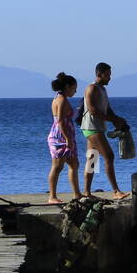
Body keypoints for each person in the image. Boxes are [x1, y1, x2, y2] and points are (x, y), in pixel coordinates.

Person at [81, 62, 130, 199]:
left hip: (97, 128)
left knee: (92, 159)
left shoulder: (102, 90)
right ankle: (116, 191)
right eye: (107, 75)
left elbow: (106, 108)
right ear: (99, 75)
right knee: (109, 156)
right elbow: (93, 110)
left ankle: (86, 192)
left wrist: (117, 119)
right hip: (91, 127)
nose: (110, 78)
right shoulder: (91, 88)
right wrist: (111, 119)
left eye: (110, 75)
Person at [46, 73, 82, 204]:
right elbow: (60, 121)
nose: (75, 91)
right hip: (60, 137)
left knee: (74, 163)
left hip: (66, 135)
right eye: (74, 88)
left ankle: (77, 194)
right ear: (67, 87)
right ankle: (52, 196)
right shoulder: (61, 100)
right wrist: (68, 138)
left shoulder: (61, 98)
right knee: (57, 166)